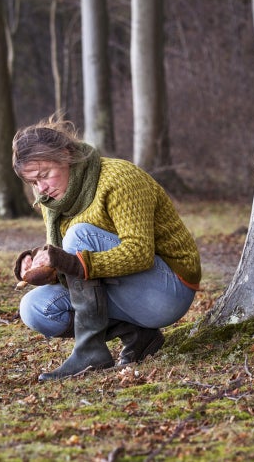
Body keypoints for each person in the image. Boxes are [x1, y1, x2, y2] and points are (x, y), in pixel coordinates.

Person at [11, 116, 201, 381]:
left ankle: (90, 352)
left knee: (80, 233)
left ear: (66, 155)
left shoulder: (119, 179)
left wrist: (70, 260)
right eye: (33, 182)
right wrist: (41, 265)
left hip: (167, 290)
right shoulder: (52, 201)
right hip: (120, 293)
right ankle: (138, 335)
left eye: (44, 175)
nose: (41, 188)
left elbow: (139, 253)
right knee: (34, 308)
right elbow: (75, 272)